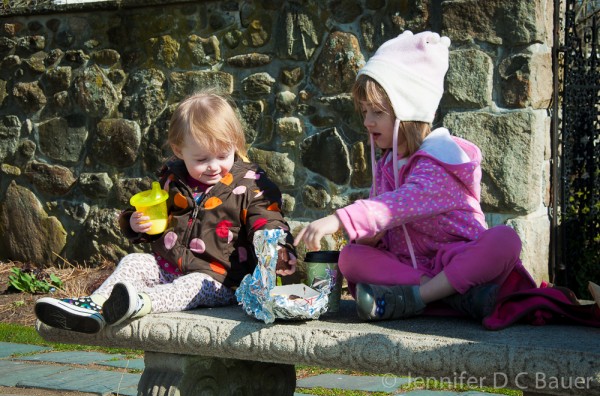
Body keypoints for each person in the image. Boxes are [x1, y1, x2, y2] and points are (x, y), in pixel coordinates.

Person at [294, 31, 536, 322]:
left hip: (459, 258)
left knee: (505, 239)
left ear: (407, 111)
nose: (367, 121)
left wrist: (339, 219)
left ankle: (417, 298)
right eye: (364, 111)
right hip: (416, 267)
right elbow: (382, 228)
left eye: (377, 112)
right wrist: (371, 241)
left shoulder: (439, 160)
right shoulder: (386, 165)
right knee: (350, 258)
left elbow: (396, 205)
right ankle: (454, 297)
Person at [35, 91, 297, 333]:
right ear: (178, 150)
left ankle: (138, 303)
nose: (213, 167)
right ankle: (95, 307)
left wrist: (281, 248)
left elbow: (268, 218)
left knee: (190, 285)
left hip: (220, 280)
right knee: (133, 262)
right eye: (202, 159)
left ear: (234, 143)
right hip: (169, 266)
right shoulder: (173, 180)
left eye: (222, 155)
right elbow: (152, 213)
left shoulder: (250, 185)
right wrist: (136, 223)